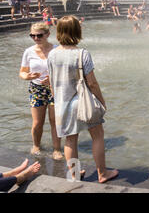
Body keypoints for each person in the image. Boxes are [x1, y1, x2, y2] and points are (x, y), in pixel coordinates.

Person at [47, 16, 119, 183]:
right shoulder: (82, 54)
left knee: (70, 139)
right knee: (97, 135)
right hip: (83, 102)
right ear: (77, 31)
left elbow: (51, 81)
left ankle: (74, 175)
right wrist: (101, 101)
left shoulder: (52, 55)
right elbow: (92, 83)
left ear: (59, 32)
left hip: (62, 102)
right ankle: (102, 174)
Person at [19, 22, 63, 160]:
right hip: (36, 89)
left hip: (55, 88)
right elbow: (22, 72)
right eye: (32, 35)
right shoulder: (29, 52)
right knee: (38, 122)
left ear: (48, 35)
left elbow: (65, 71)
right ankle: (36, 145)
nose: (36, 38)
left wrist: (52, 78)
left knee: (54, 121)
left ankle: (56, 149)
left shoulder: (57, 50)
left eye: (39, 35)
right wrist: (27, 76)